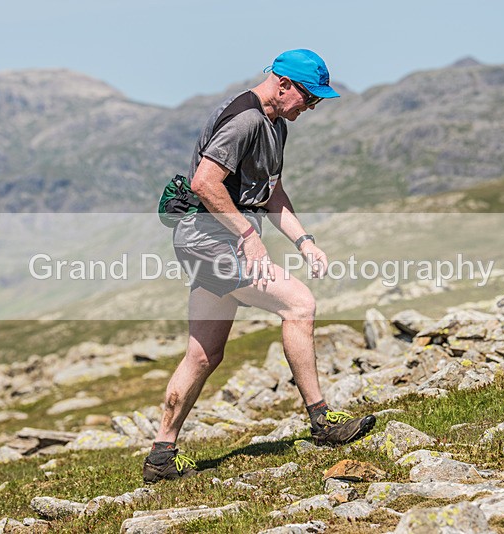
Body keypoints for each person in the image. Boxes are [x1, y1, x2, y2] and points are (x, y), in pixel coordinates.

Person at [143, 49, 376, 483]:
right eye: (310, 97)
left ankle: (161, 455)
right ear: (283, 84)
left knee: (204, 353)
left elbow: (272, 193)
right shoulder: (246, 120)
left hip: (209, 242)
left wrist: (304, 241)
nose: (312, 107)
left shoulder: (275, 124)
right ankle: (321, 420)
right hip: (209, 242)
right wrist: (248, 235)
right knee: (299, 304)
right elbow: (204, 183)